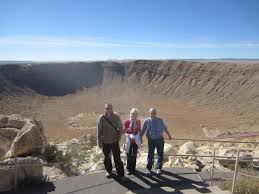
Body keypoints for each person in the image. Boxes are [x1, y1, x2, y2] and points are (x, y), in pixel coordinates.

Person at [97, 103, 126, 182]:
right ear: (104, 109)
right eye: (107, 108)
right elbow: (99, 130)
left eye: (110, 108)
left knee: (117, 158)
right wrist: (99, 141)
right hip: (105, 141)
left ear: (112, 109)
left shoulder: (116, 117)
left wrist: (119, 138)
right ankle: (109, 171)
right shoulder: (101, 118)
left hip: (114, 141)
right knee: (107, 158)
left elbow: (120, 128)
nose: (108, 110)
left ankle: (121, 175)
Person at [141, 108, 173, 175]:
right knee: (150, 155)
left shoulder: (160, 120)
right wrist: (140, 138)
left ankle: (159, 168)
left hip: (160, 139)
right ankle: (149, 169)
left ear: (156, 113)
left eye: (154, 113)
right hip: (151, 140)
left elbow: (165, 128)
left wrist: (169, 135)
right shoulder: (147, 121)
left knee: (160, 154)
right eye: (151, 113)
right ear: (149, 113)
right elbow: (143, 130)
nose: (153, 114)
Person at [123, 108, 142, 175]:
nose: (134, 115)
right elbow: (124, 131)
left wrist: (138, 136)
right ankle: (128, 169)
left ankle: (133, 169)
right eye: (133, 114)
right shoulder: (127, 122)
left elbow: (139, 130)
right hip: (129, 141)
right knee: (128, 155)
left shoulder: (138, 121)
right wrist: (130, 133)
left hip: (135, 142)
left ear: (137, 115)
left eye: (135, 114)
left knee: (134, 155)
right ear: (130, 114)